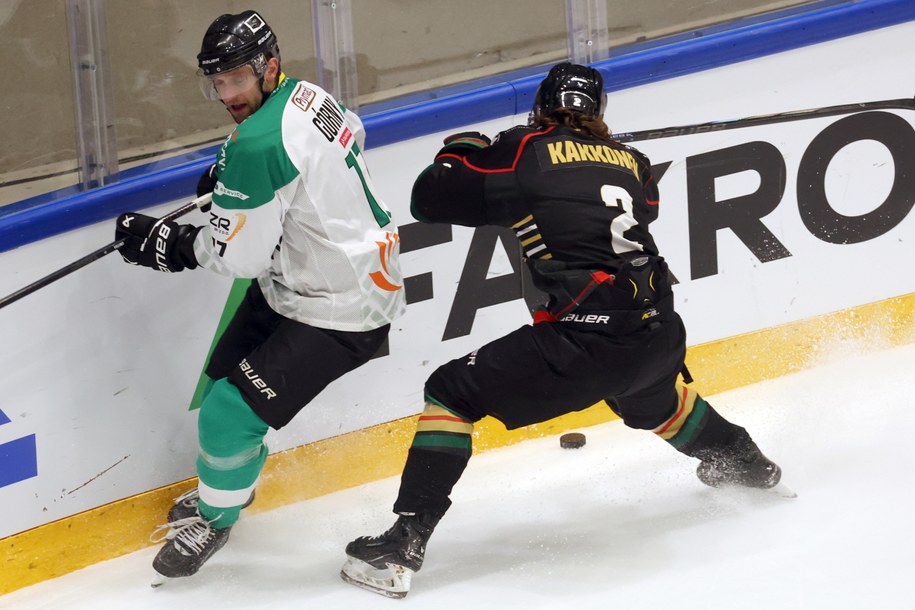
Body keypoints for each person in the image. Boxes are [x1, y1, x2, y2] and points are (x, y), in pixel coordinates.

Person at [339, 62, 783, 599]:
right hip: (658, 331)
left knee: (451, 392)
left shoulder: (525, 147)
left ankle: (403, 541)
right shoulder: (633, 163)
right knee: (653, 400)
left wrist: (461, 148)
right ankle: (744, 461)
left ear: (541, 105)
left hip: (585, 341)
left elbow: (429, 198)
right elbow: (646, 204)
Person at [113, 10, 405, 583]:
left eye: (236, 81)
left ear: (268, 66)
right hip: (317, 278)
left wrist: (168, 245)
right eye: (216, 83)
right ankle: (234, 487)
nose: (226, 94)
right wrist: (234, 185)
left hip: (340, 307)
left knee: (226, 413)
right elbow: (352, 132)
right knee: (221, 380)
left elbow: (238, 259)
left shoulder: (259, 141)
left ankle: (218, 517)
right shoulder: (308, 95)